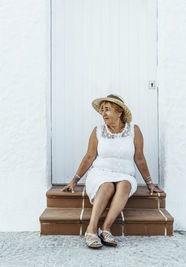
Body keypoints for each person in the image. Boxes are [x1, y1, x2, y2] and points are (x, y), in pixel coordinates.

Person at [61, 94, 164, 249]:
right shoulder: (98, 131)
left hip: (125, 174)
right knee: (107, 186)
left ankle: (106, 228)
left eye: (107, 110)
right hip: (100, 173)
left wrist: (149, 183)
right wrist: (74, 180)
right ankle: (91, 228)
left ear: (119, 112)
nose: (103, 114)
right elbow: (89, 157)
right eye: (102, 110)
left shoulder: (134, 130)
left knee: (125, 185)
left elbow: (140, 158)